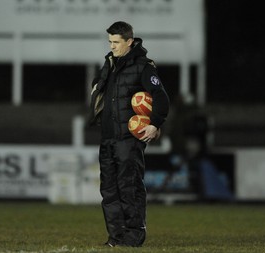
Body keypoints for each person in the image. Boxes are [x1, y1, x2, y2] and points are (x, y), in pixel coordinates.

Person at [89, 21, 170, 247]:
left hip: (128, 139)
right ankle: (115, 237)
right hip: (108, 137)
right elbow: (102, 88)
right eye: (110, 42)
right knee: (109, 190)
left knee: (129, 187)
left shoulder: (144, 66)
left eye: (116, 42)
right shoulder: (110, 63)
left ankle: (133, 237)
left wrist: (154, 123)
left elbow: (161, 97)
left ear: (129, 42)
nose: (112, 46)